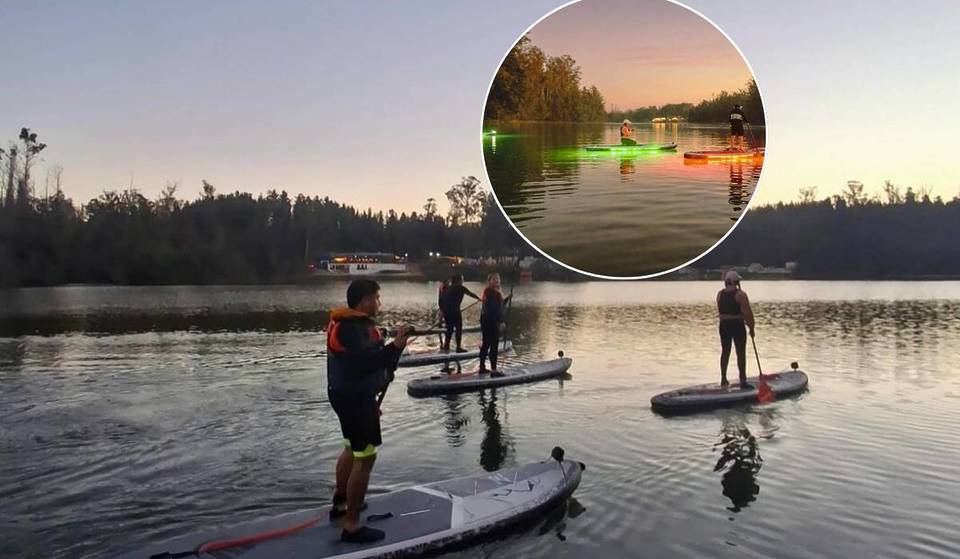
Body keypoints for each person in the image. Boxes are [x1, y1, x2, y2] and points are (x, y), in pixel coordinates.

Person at [326, 279, 414, 543]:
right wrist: (395, 347)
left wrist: (393, 348)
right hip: (355, 399)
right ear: (364, 301)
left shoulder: (347, 324)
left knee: (350, 449)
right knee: (365, 458)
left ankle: (341, 504)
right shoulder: (353, 329)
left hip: (345, 395)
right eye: (377, 297)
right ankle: (351, 525)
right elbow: (364, 363)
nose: (379, 302)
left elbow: (374, 363)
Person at [716, 270, 755, 389]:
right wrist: (751, 328)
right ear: (736, 282)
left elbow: (722, 310)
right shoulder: (741, 295)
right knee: (740, 353)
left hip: (723, 325)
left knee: (725, 351)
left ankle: (723, 379)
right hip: (737, 325)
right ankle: (743, 380)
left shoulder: (719, 294)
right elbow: (747, 313)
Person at [479, 272, 512, 377]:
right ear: (489, 281)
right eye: (494, 279)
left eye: (498, 279)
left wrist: (507, 299)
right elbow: (494, 309)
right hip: (490, 321)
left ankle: (483, 367)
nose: (497, 281)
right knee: (492, 345)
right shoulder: (489, 292)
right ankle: (493, 370)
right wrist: (501, 322)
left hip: (489, 320)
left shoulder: (495, 293)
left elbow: (500, 305)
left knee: (487, 344)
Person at [439, 274, 480, 352]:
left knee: (449, 329)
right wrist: (480, 299)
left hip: (446, 312)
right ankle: (458, 347)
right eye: (462, 279)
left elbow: (442, 300)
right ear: (458, 280)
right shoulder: (460, 287)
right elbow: (471, 294)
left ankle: (446, 346)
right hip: (454, 311)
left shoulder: (448, 288)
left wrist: (443, 310)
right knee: (458, 328)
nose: (463, 281)